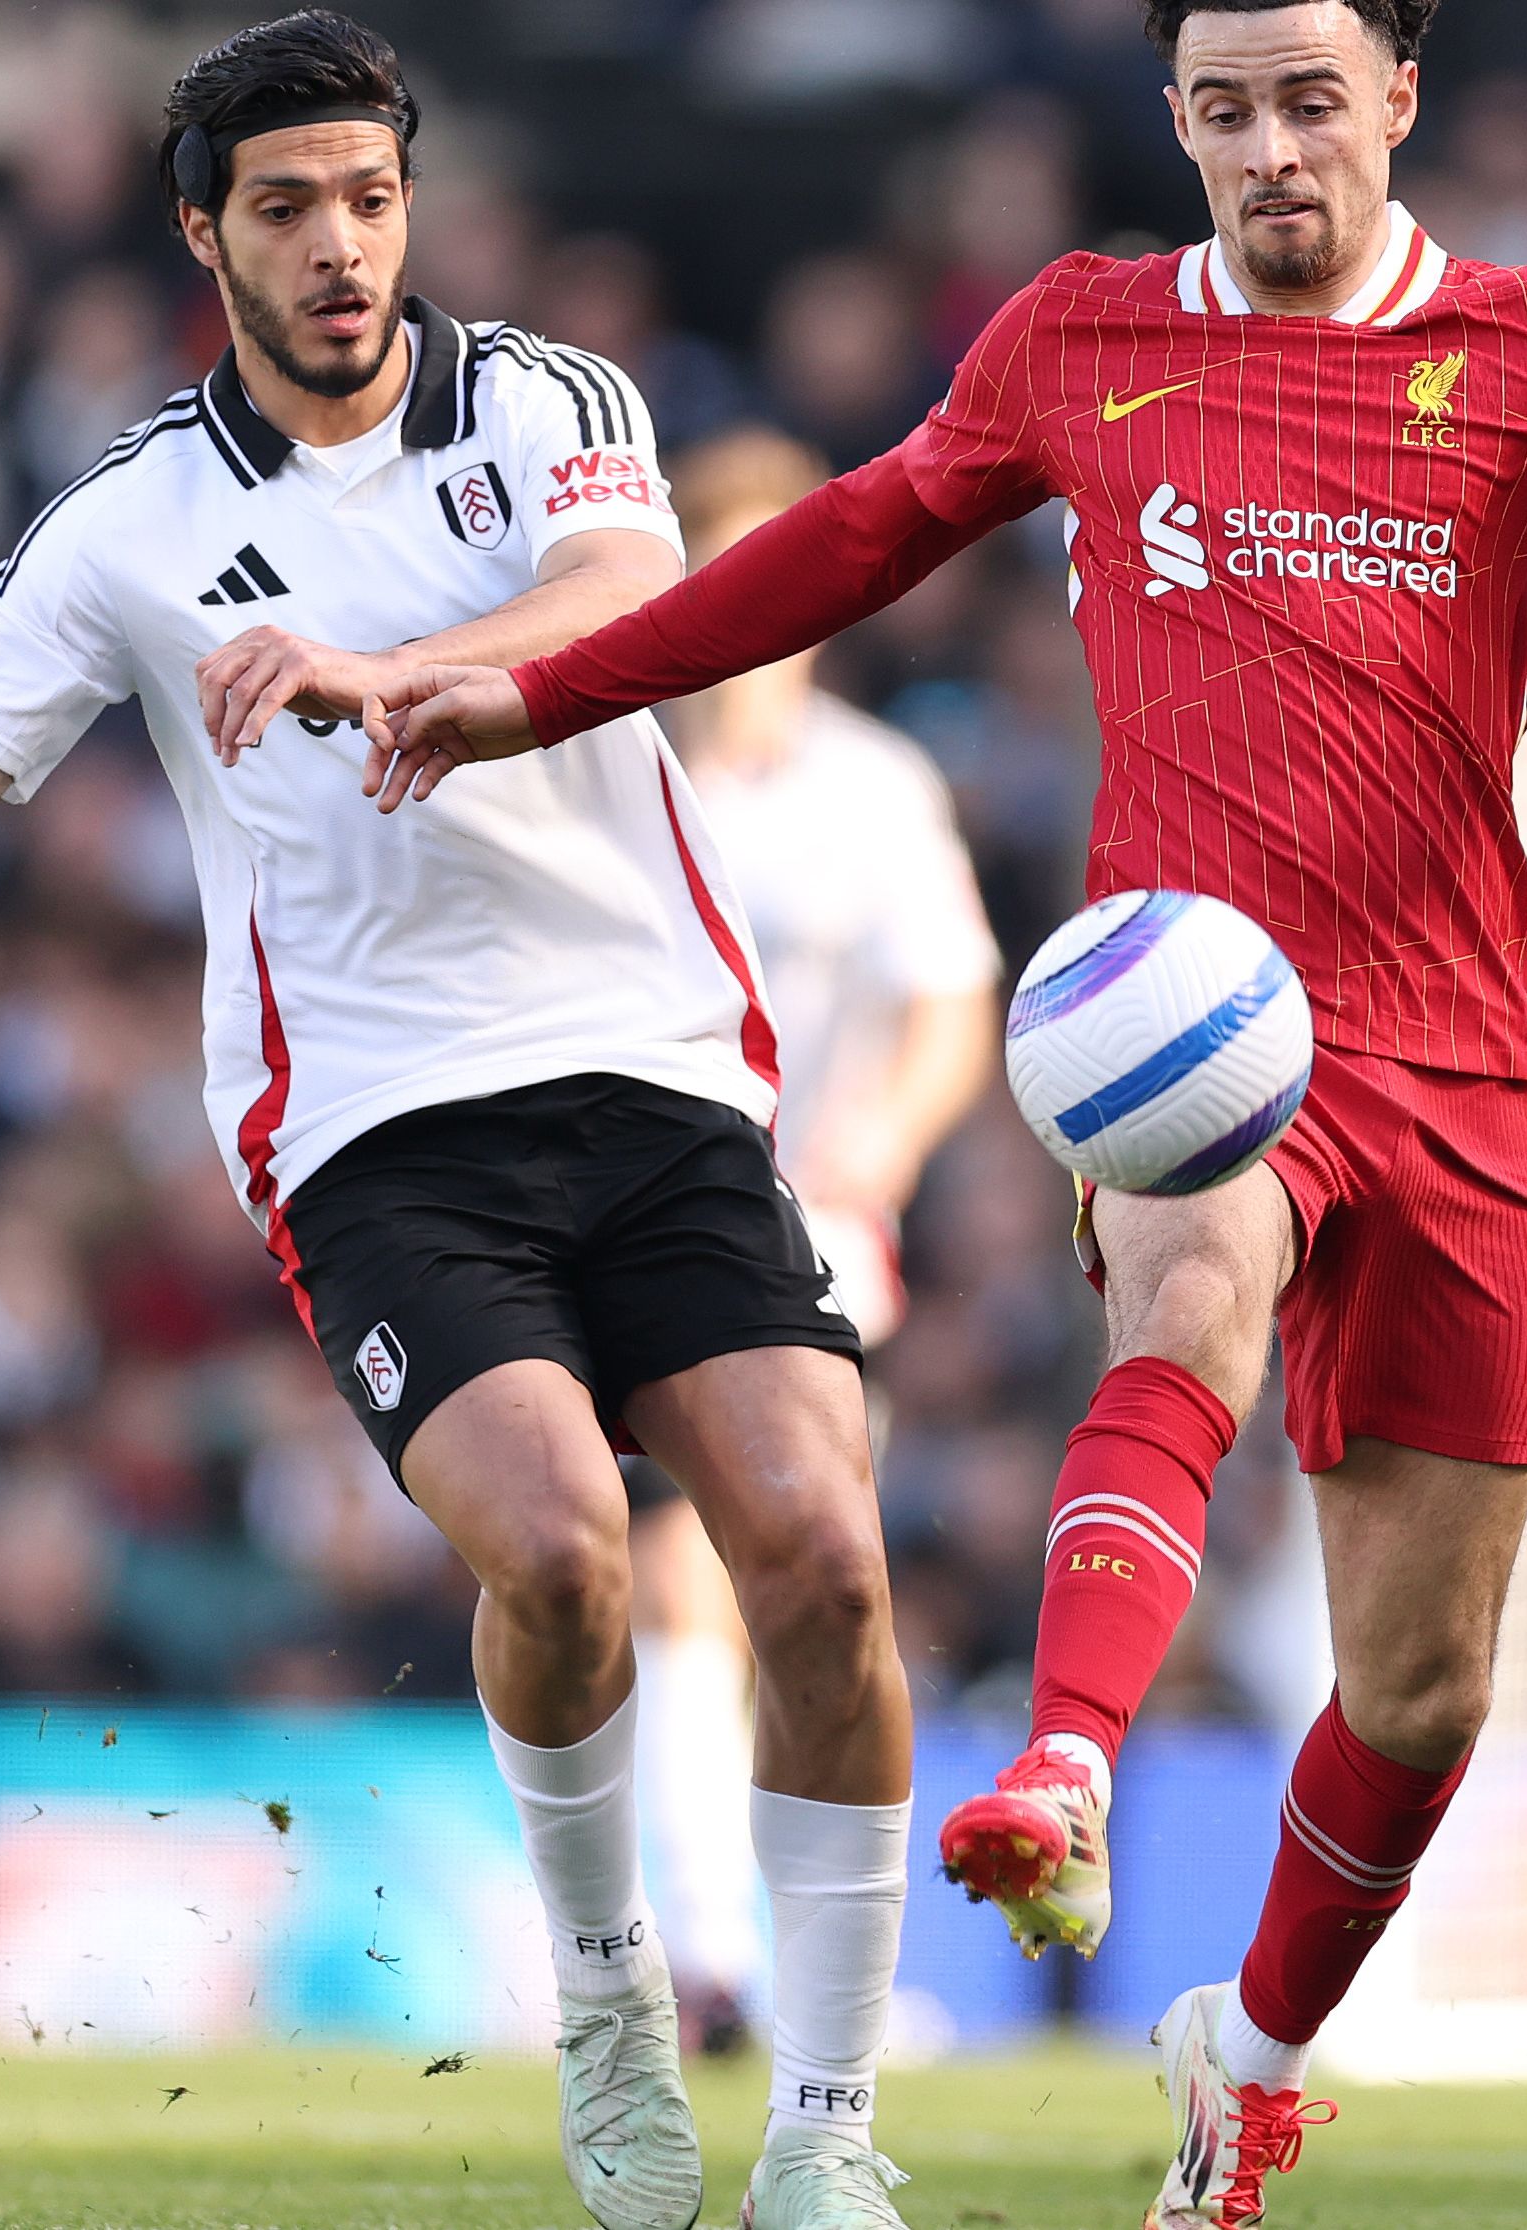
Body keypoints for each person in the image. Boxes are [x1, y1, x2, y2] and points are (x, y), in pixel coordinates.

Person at [354, 2, 1527, 2218]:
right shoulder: (1083, 339)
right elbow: (840, 544)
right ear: (1175, 124)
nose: (1270, 150)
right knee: (1187, 1276)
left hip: (1461, 1050)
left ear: (1399, 95)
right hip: (1190, 1013)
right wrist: (536, 688)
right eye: (1223, 111)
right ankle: (1070, 1768)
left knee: (1421, 1681)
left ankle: (1251, 2049)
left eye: (1311, 102)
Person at [0, 18, 920, 2228]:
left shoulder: (554, 405)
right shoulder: (127, 521)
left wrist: (391, 670)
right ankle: (608, 1997)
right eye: (283, 206)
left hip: (653, 1069)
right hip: (378, 1122)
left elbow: (630, 610)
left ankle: (829, 2129)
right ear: (203, 232)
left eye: (368, 198)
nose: (337, 245)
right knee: (564, 1546)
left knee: (825, 1555)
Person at [622, 428, 1004, 2061]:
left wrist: (893, 1138)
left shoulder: (875, 790)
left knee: (805, 1593)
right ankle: (710, 1958)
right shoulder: (608, 777)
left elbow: (949, 1007)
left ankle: (782, 1971)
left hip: (819, 1241)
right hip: (632, 1236)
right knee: (669, 1573)